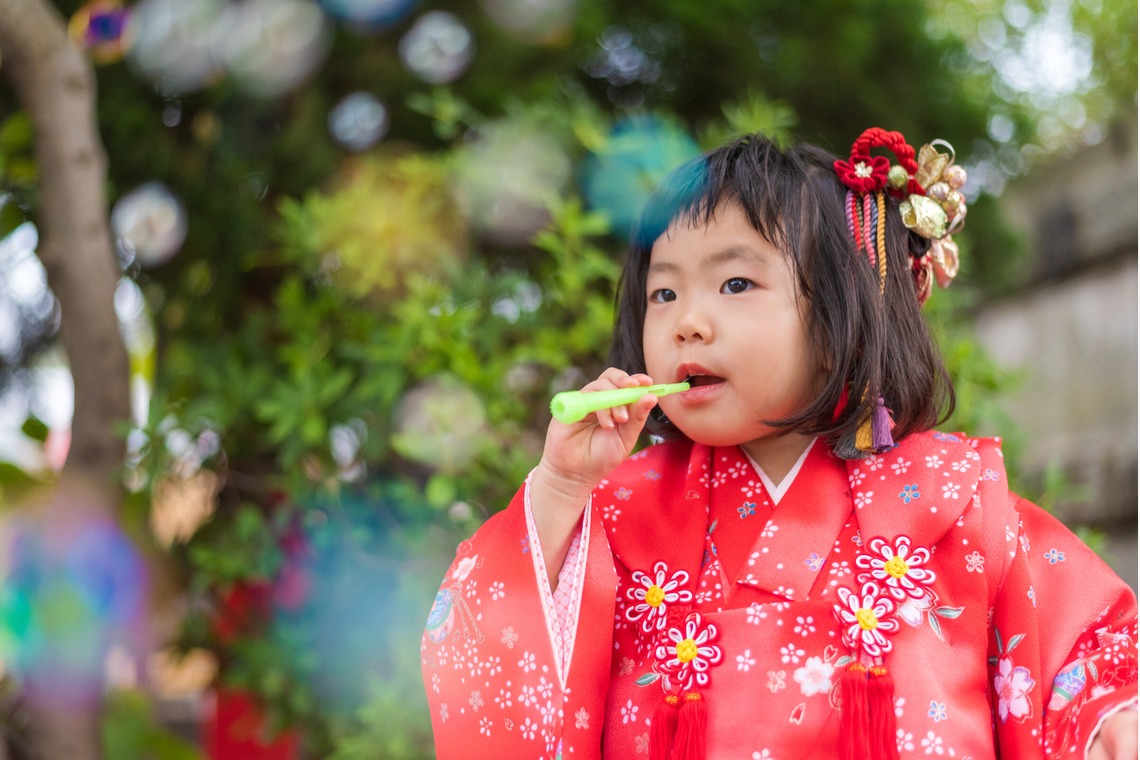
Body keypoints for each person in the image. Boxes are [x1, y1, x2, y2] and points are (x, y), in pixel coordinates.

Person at [419, 128, 1138, 759]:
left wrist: (1112, 715)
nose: (687, 322)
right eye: (663, 294)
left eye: (735, 282)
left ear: (840, 317)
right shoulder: (614, 511)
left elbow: (1091, 647)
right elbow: (491, 655)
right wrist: (558, 490)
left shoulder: (955, 500)